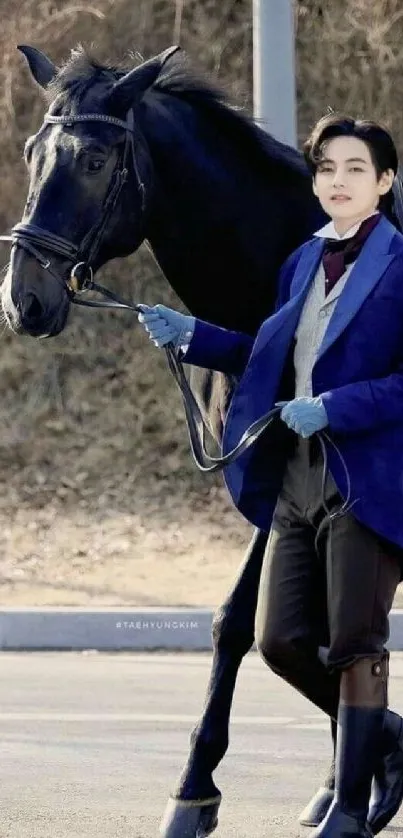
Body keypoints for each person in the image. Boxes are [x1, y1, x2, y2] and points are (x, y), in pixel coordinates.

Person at [137, 113, 403, 838]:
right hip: (298, 474)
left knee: (353, 640)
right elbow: (269, 353)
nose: (338, 181)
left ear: (382, 182)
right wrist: (190, 333)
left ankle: (348, 811)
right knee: (280, 639)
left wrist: (334, 406)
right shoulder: (300, 263)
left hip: (368, 470)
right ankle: (388, 739)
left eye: (356, 169)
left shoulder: (400, 264)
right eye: (326, 169)